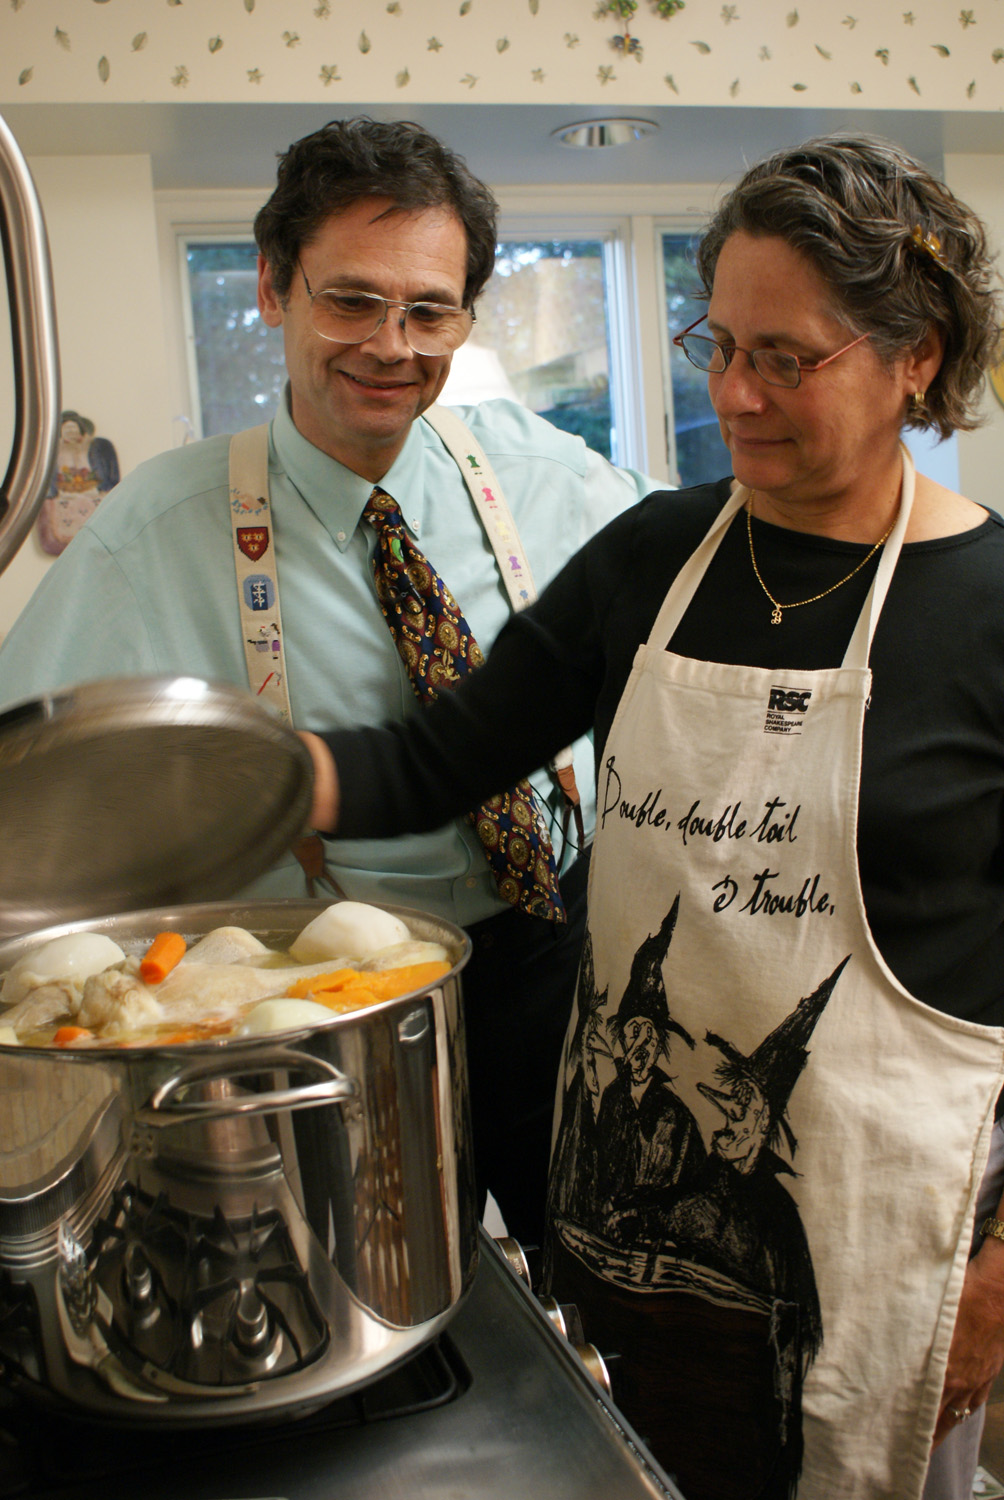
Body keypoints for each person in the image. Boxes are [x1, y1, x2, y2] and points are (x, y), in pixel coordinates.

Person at [298, 134, 1004, 1500]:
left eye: (785, 358)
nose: (733, 395)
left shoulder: (989, 610)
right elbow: (437, 759)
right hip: (628, 1221)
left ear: (914, 352)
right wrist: (223, 782)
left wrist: (998, 1275)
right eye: (715, 343)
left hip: (880, 1247)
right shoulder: (655, 555)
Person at [0, 117, 654, 1247]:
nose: (390, 345)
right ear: (271, 289)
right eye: (350, 300)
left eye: (427, 310)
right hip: (329, 997)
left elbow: (708, 591)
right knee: (377, 1275)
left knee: (593, 1260)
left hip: (553, 950)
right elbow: (29, 789)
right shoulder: (150, 531)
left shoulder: (550, 475)